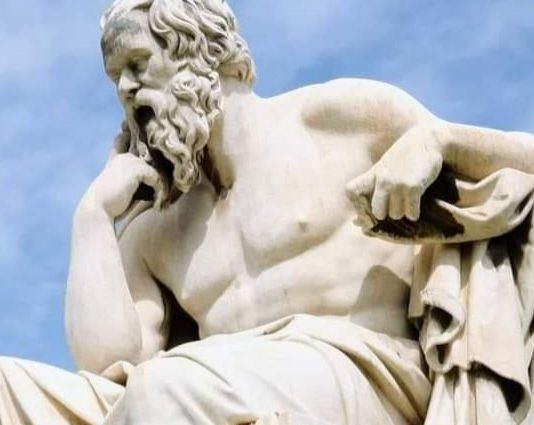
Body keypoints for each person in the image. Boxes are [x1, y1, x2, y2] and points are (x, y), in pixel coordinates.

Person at [1, 0, 534, 424]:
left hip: (366, 370)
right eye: (116, 76)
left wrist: (440, 142)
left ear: (198, 52)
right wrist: (93, 216)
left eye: (138, 64)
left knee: (166, 388)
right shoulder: (155, 225)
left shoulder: (335, 119)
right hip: (211, 388)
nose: (125, 88)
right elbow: (107, 367)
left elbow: (525, 160)